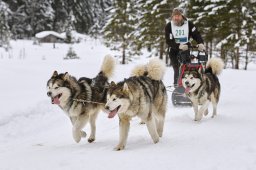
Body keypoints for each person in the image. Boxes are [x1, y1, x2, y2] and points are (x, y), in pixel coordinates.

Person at [165, 7, 205, 86]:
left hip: (186, 49)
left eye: (178, 16)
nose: (176, 18)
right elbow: (169, 41)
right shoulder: (169, 26)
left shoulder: (189, 24)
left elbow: (196, 34)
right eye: (174, 16)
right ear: (172, 16)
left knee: (187, 69)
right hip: (174, 50)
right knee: (177, 69)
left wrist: (200, 43)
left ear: (182, 16)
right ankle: (177, 87)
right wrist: (179, 46)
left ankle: (189, 86)